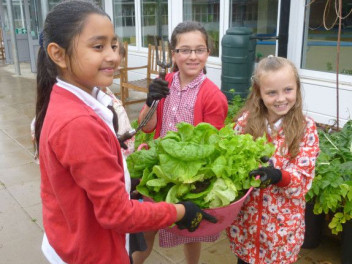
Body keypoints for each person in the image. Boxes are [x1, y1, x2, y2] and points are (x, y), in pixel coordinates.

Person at [35, 1, 216, 264]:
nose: (113, 56)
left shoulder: (73, 98)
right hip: (91, 251)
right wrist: (180, 211)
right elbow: (117, 214)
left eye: (114, 45)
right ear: (58, 54)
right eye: (98, 47)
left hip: (72, 238)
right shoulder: (78, 122)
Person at [133, 21, 228, 264]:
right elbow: (146, 126)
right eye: (184, 50)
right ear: (174, 54)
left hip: (189, 174)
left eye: (199, 49)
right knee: (146, 228)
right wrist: (151, 100)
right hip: (159, 170)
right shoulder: (164, 82)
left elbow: (211, 146)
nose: (192, 56)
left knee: (191, 230)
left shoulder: (213, 96)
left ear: (208, 52)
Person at [226, 56, 320, 264]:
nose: (280, 98)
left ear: (297, 88)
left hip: (282, 233)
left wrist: (279, 176)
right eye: (271, 92)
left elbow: (303, 179)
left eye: (288, 90)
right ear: (259, 93)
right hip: (246, 229)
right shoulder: (245, 123)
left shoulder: (306, 128)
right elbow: (231, 163)